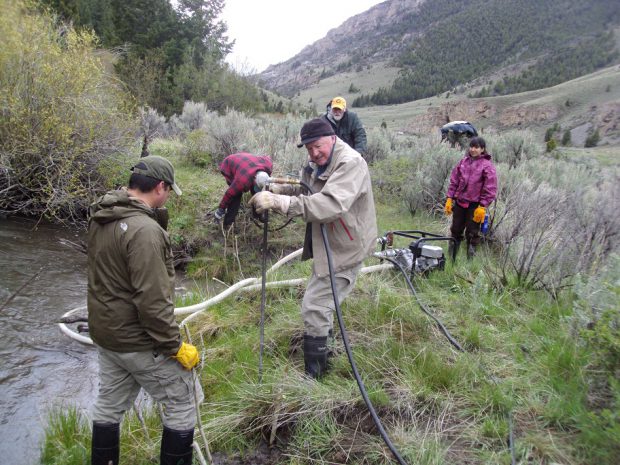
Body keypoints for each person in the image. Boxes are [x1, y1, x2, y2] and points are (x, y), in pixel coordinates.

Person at [87, 155, 202, 465]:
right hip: (139, 341)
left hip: (107, 337)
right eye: (168, 192)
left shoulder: (101, 216)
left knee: (108, 406)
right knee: (184, 401)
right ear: (160, 187)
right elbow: (152, 304)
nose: (168, 198)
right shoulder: (145, 231)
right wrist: (175, 347)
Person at [249, 118, 377, 379]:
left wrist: (280, 202)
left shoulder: (350, 162)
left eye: (317, 146)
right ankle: (325, 356)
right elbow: (305, 184)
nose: (313, 153)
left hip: (346, 247)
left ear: (332, 138)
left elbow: (330, 205)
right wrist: (277, 188)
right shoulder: (318, 161)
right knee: (321, 303)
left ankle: (315, 377)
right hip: (331, 243)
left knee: (315, 306)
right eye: (308, 149)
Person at [444, 137, 497, 259]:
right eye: (471, 146)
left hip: (475, 206)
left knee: (472, 234)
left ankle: (470, 262)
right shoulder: (463, 162)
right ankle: (451, 259)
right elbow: (454, 181)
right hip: (460, 203)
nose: (473, 149)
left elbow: (490, 187)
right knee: (455, 230)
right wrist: (449, 198)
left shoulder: (487, 166)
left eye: (476, 147)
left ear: (482, 149)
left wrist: (483, 206)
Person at [214, 152, 273, 228]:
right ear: (254, 178)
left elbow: (268, 156)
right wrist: (221, 209)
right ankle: (228, 224)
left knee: (256, 193)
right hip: (229, 164)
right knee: (236, 196)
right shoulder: (242, 181)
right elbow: (229, 193)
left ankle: (257, 215)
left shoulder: (268, 166)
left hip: (246, 161)